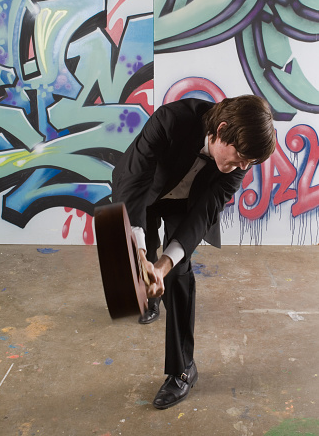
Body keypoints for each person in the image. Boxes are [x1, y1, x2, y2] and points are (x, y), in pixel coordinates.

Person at [111, 95, 276, 410]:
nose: (242, 168)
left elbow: (202, 216)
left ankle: (182, 370)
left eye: (249, 163)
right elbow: (134, 181)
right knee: (137, 253)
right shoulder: (172, 119)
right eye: (240, 156)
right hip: (143, 189)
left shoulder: (239, 164)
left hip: (185, 206)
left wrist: (162, 266)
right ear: (220, 130)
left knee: (179, 271)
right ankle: (150, 298)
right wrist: (141, 255)